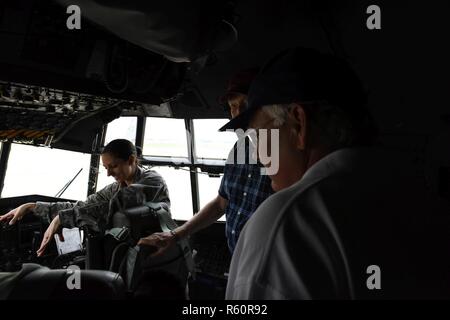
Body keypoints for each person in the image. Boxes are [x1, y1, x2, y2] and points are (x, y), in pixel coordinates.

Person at [223, 47, 450, 299]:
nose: (256, 155)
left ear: (299, 124)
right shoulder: (417, 188)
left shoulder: (285, 226)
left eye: (257, 136)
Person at [138, 69, 273, 255]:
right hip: (238, 258)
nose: (239, 113)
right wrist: (176, 234)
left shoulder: (284, 155)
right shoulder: (239, 149)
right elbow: (220, 204)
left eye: (246, 103)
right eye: (233, 106)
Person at [0, 139, 170, 257]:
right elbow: (85, 205)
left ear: (131, 160)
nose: (109, 173)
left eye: (114, 166)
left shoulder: (153, 181)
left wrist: (62, 218)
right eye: (106, 168)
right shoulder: (117, 186)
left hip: (159, 256)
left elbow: (111, 206)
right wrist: (33, 206)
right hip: (132, 253)